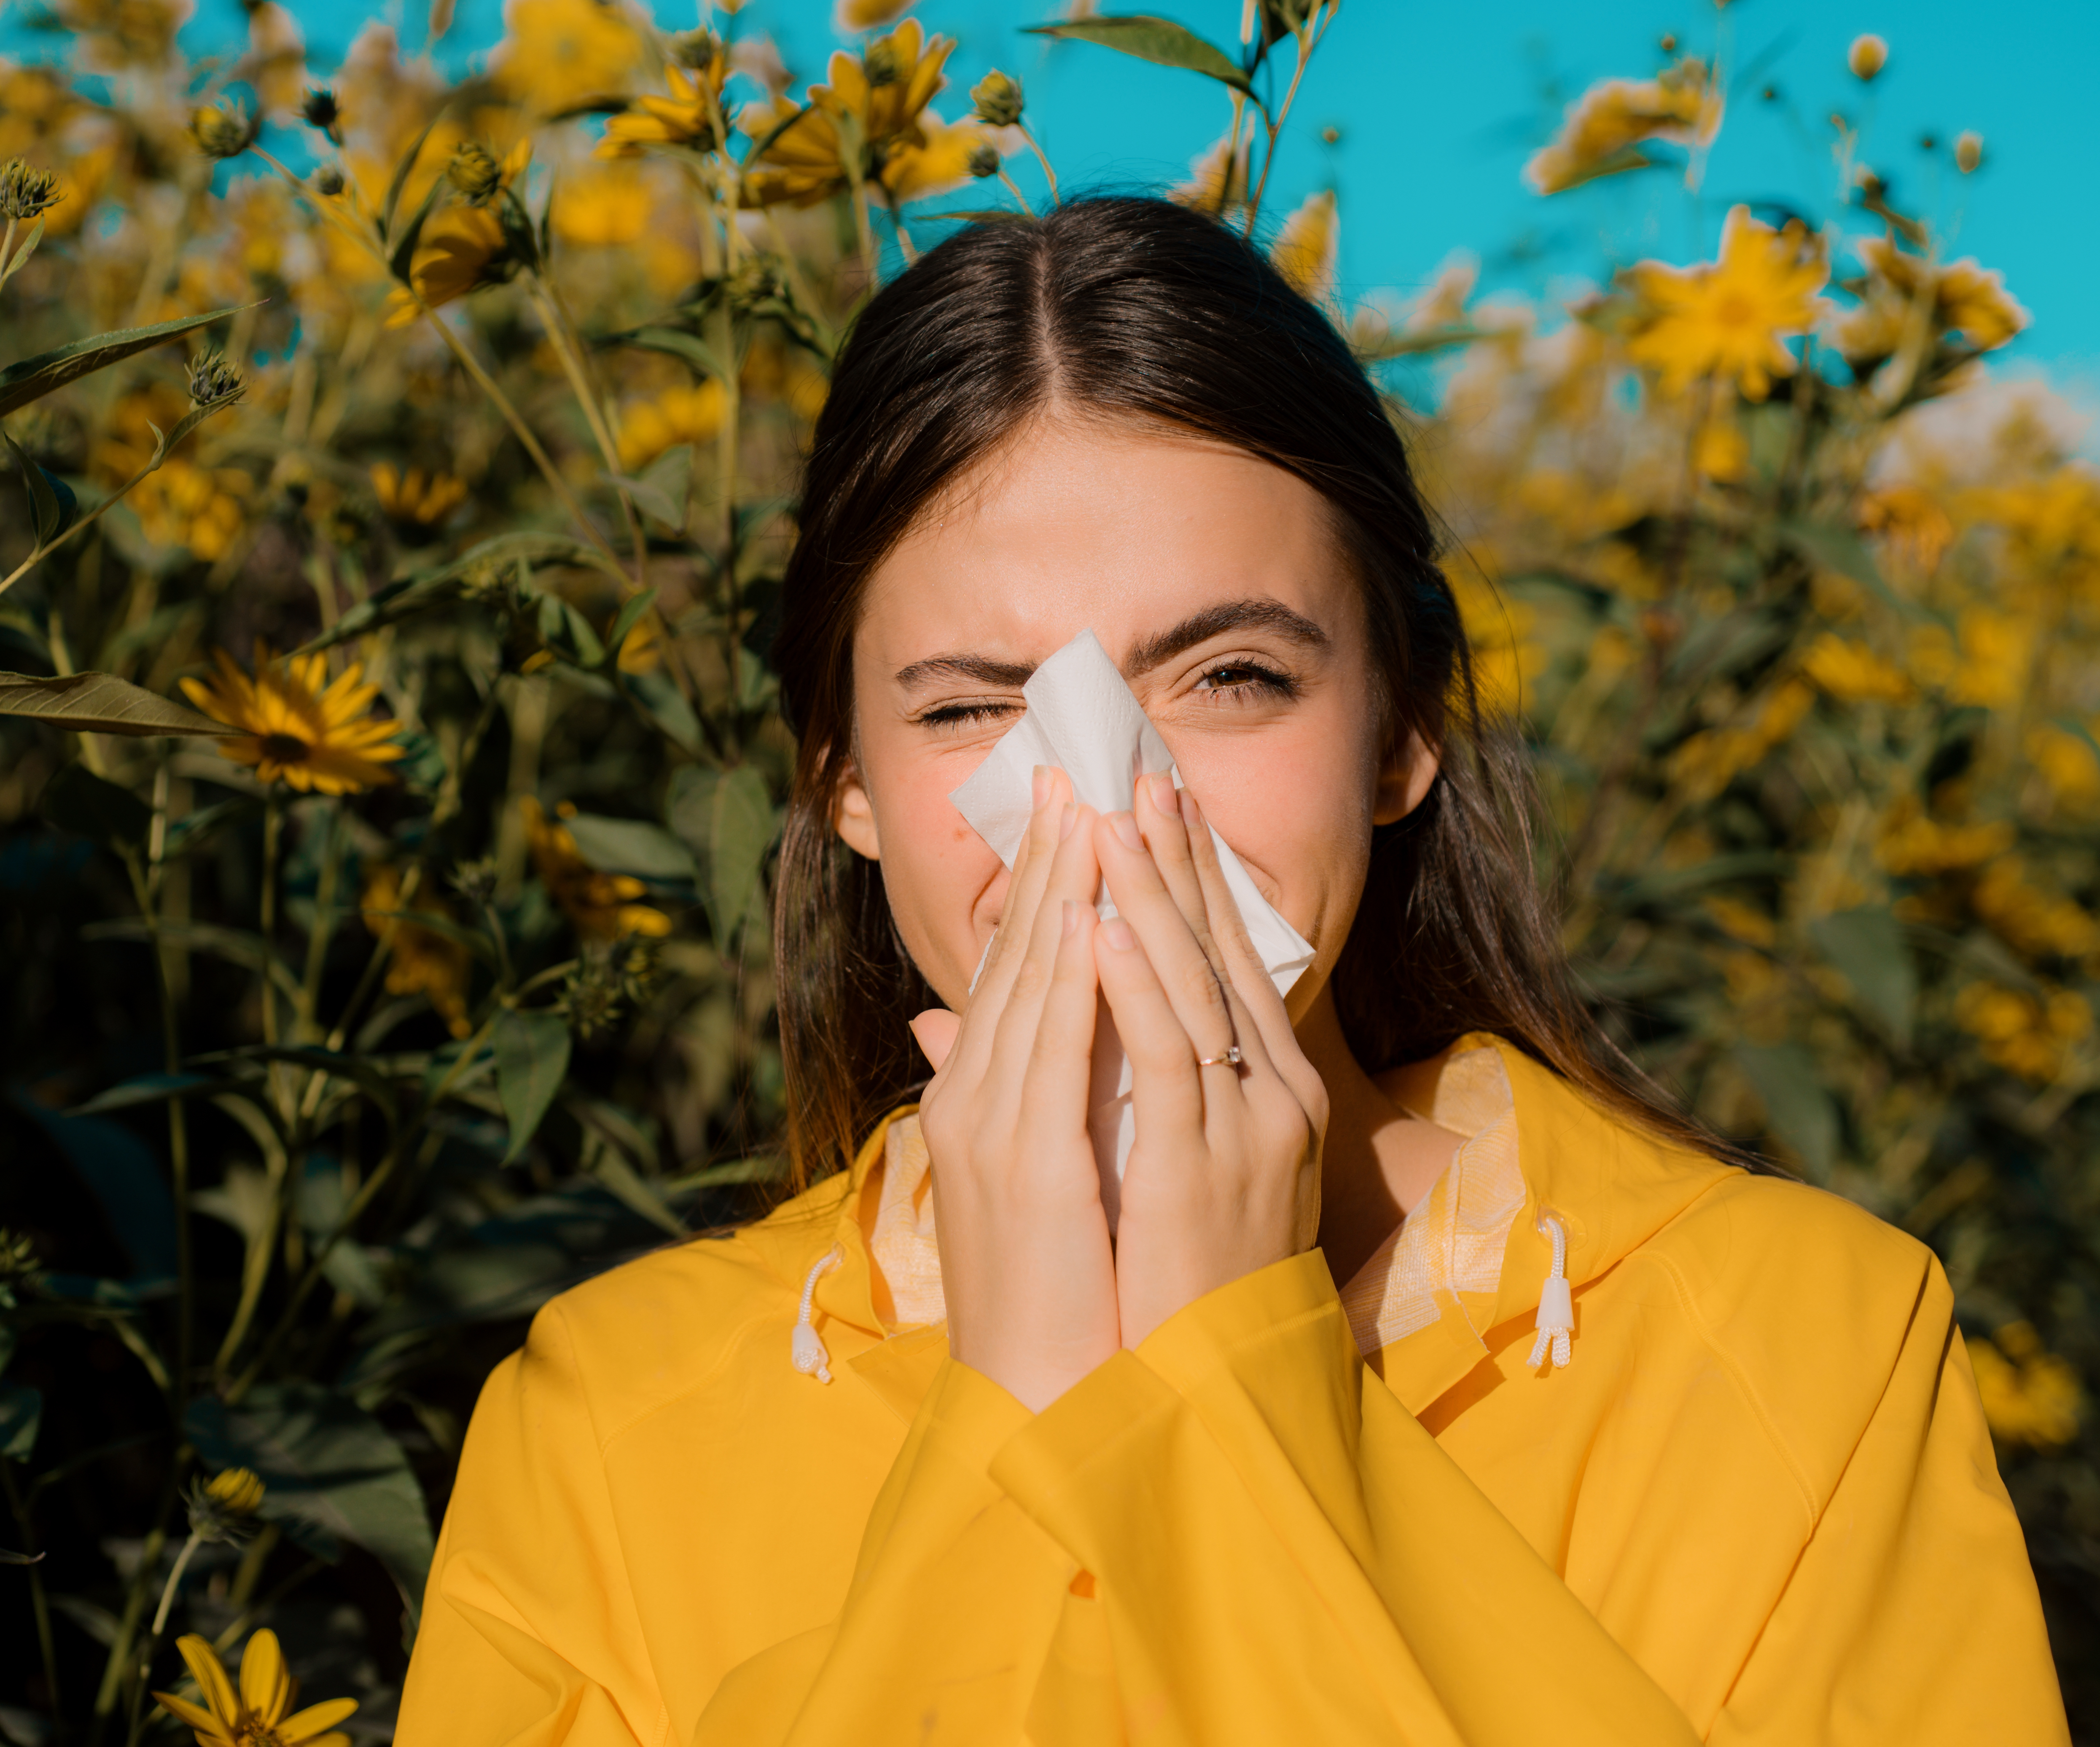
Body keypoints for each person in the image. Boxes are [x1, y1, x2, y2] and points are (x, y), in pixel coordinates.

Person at [390, 197, 2066, 1744]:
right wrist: (1023, 1394)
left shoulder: (1805, 1349)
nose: (1102, 799)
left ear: (1402, 729)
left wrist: (1235, 1372)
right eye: (975, 708)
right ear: (847, 785)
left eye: (1232, 677)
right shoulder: (601, 1428)